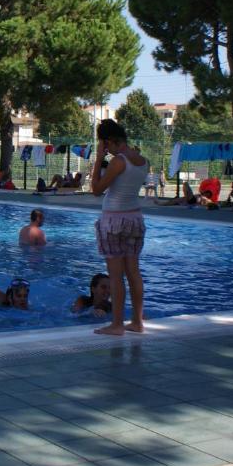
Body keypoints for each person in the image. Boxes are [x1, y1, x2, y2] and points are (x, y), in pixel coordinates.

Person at [90, 118, 147, 335]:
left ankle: (117, 325)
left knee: (115, 276)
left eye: (104, 144)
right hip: (135, 219)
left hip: (114, 221)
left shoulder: (118, 161)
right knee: (134, 272)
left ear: (108, 142)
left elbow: (96, 189)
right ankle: (137, 322)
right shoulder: (142, 160)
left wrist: (98, 159)